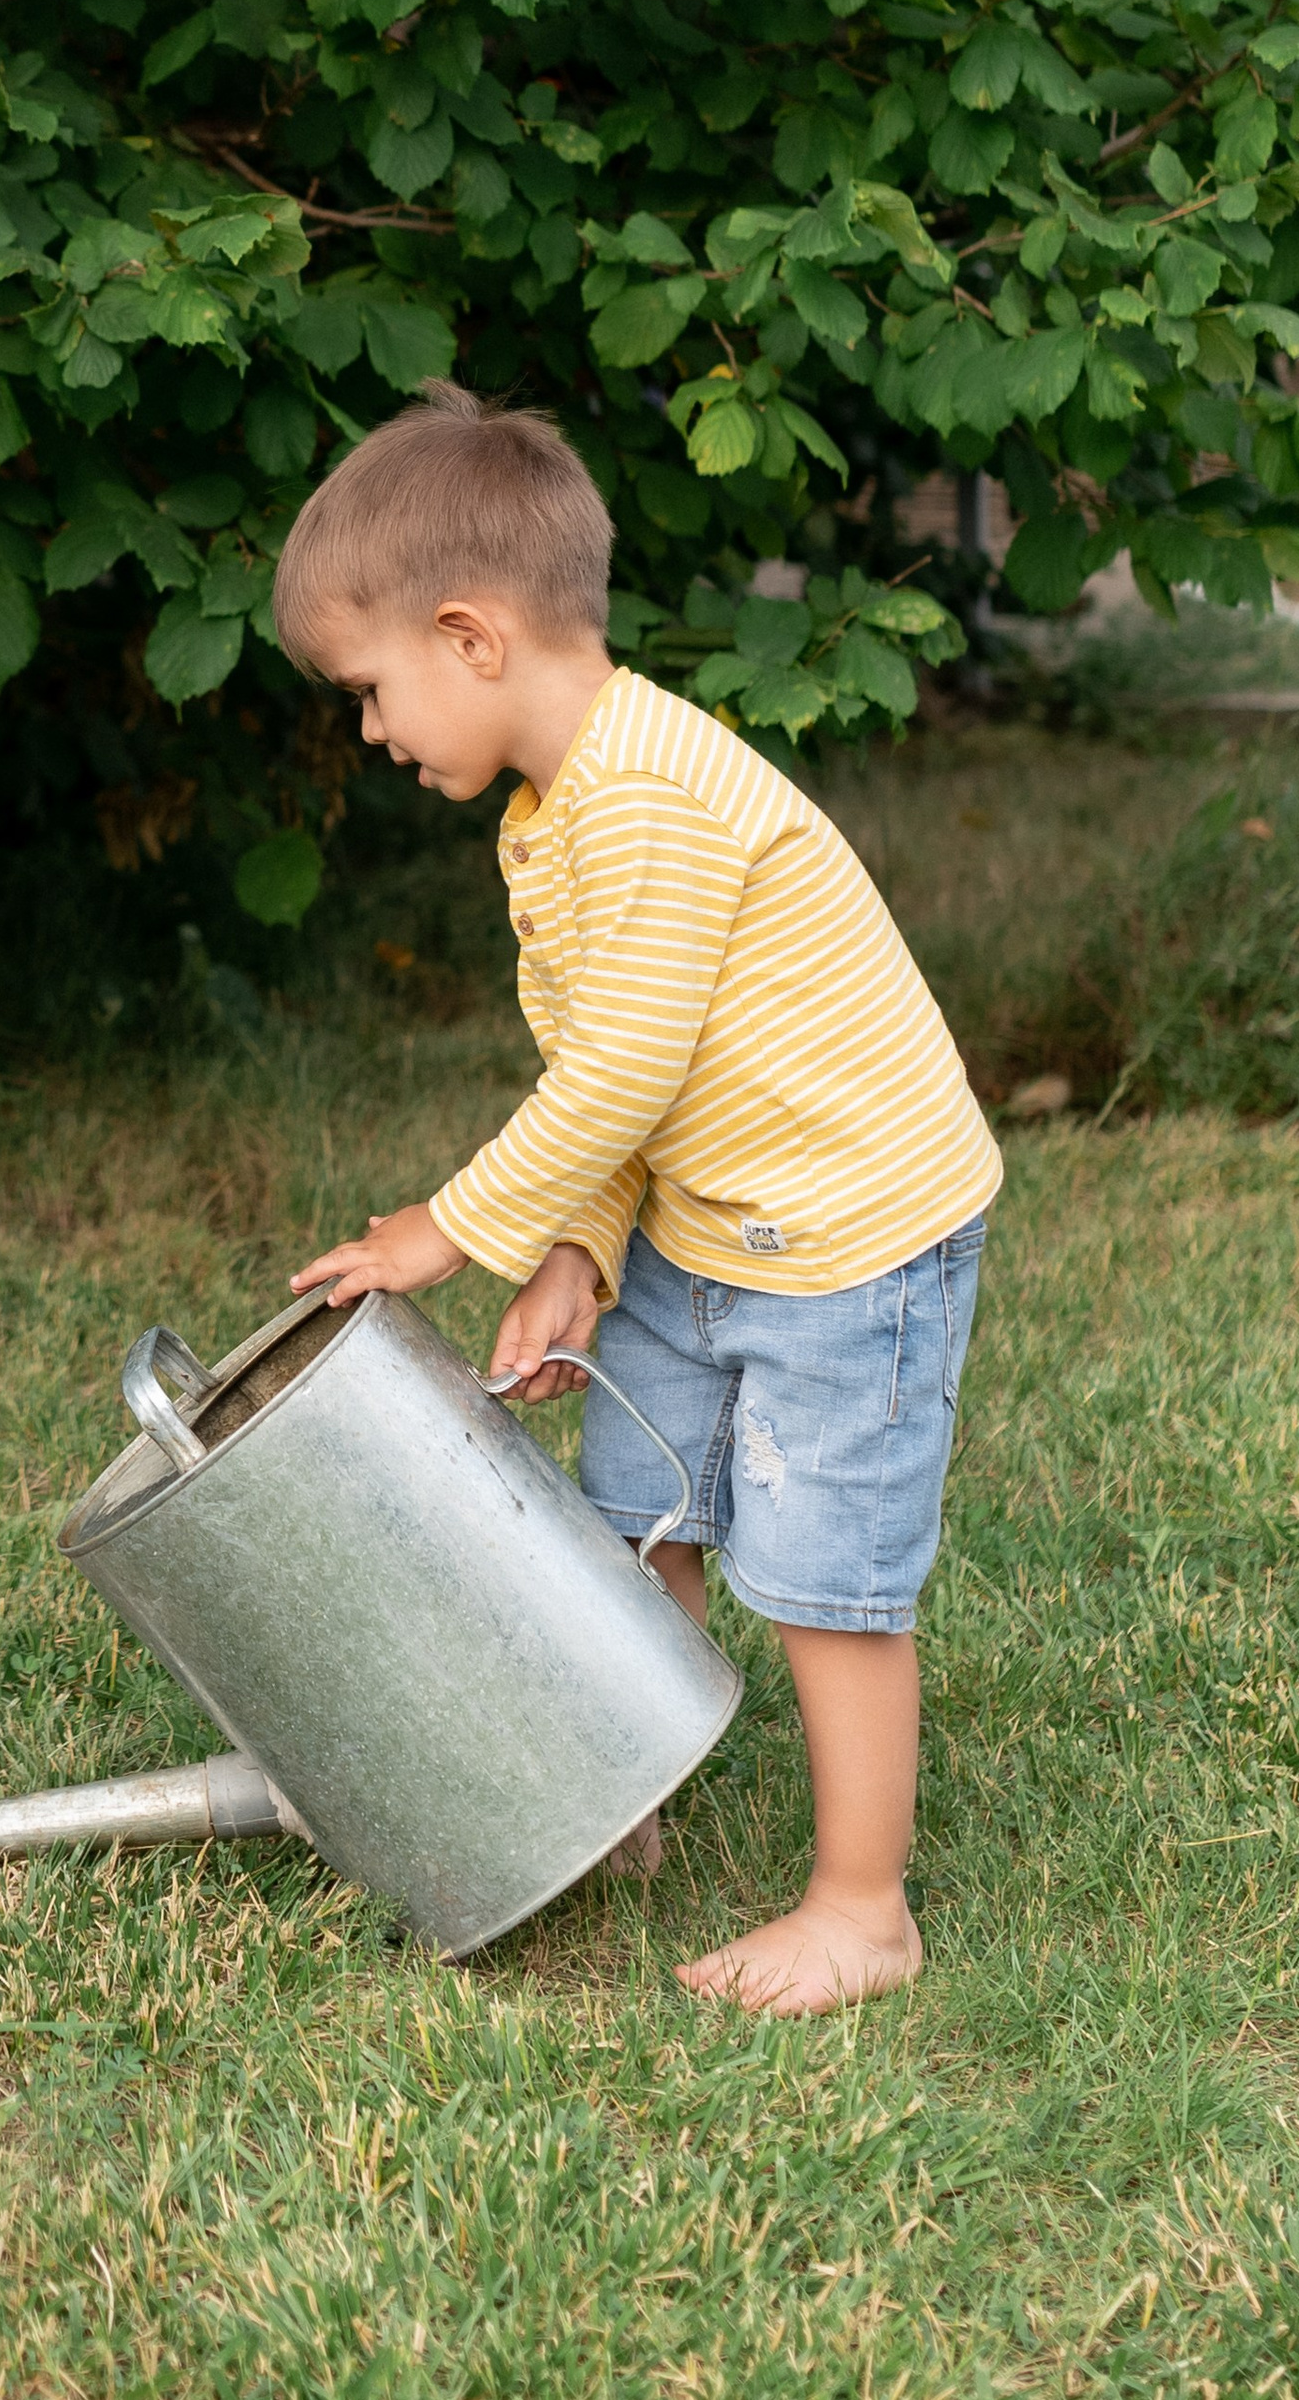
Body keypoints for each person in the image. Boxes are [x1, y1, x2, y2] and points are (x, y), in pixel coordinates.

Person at [278, 385, 998, 2013]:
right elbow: (624, 1084)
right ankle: (618, 1790)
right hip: (706, 1217)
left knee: (825, 1574)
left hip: (853, 1236)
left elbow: (611, 1073)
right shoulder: (553, 814)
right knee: (636, 1510)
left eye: (372, 691)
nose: (375, 732)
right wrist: (579, 1251)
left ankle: (862, 1904)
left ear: (469, 636)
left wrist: (442, 1231)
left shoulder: (657, 795)